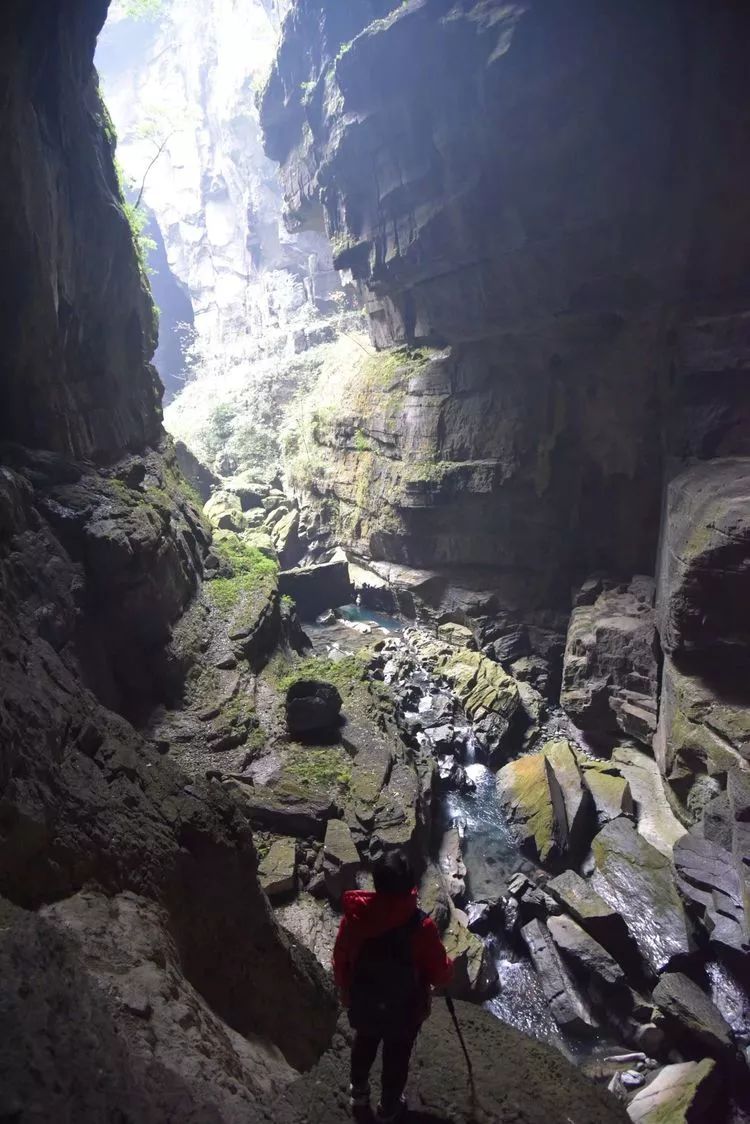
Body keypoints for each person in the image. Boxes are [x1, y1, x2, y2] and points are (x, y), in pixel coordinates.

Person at [332, 852, 453, 1122]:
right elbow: (439, 971)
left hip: (364, 1001)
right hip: (404, 1010)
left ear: (376, 883)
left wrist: (344, 989)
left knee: (364, 1043)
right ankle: (388, 1107)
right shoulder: (421, 926)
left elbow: (341, 957)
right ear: (411, 886)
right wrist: (448, 969)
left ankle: (359, 1093)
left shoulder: (356, 918)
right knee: (397, 1057)